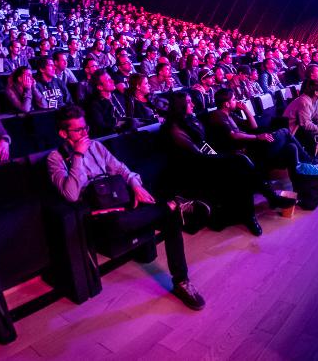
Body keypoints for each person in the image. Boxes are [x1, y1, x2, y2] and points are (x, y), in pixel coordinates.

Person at [45, 106, 206, 310]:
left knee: (170, 218)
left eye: (86, 128)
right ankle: (174, 205)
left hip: (118, 200)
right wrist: (77, 155)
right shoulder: (55, 158)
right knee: (127, 220)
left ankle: (181, 281)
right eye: (78, 130)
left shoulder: (96, 146)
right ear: (63, 133)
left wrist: (135, 185)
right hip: (98, 216)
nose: (85, 133)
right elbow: (71, 194)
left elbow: (121, 169)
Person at [162, 91, 292, 236]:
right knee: (240, 161)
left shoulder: (189, 119)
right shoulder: (174, 128)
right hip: (197, 167)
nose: (192, 104)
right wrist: (221, 157)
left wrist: (220, 155)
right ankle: (266, 201)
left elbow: (205, 144)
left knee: (241, 164)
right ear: (179, 106)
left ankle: (253, 213)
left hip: (208, 157)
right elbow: (197, 155)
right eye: (188, 102)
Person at [283, 78, 318, 151]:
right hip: (292, 131)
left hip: (300, 128)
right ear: (316, 92)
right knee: (316, 137)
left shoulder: (315, 100)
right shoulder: (304, 102)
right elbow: (306, 126)